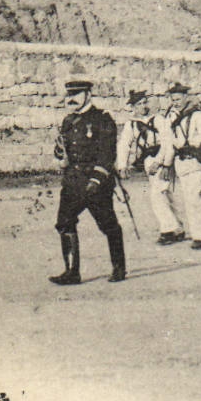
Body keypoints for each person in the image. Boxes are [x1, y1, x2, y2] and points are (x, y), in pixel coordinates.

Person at [49, 80, 127, 285]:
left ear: (88, 95)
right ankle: (72, 272)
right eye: (69, 95)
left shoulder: (102, 119)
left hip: (95, 183)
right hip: (72, 182)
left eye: (77, 94)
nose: (71, 99)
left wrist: (96, 180)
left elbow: (107, 153)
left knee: (108, 224)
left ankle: (119, 267)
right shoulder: (68, 121)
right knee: (64, 224)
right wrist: (59, 155)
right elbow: (62, 152)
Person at [119, 88, 185, 246]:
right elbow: (124, 144)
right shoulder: (132, 124)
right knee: (164, 194)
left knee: (158, 195)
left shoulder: (159, 120)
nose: (143, 107)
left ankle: (167, 230)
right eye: (139, 104)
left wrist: (162, 162)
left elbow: (168, 142)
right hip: (148, 160)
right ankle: (177, 228)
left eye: (144, 103)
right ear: (133, 107)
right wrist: (122, 165)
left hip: (163, 159)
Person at [163, 83, 201, 249]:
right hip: (181, 163)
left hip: (196, 161)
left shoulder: (198, 116)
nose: (175, 102)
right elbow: (170, 143)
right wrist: (166, 165)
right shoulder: (171, 117)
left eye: (178, 99)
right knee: (191, 200)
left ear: (186, 97)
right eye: (173, 99)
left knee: (194, 199)